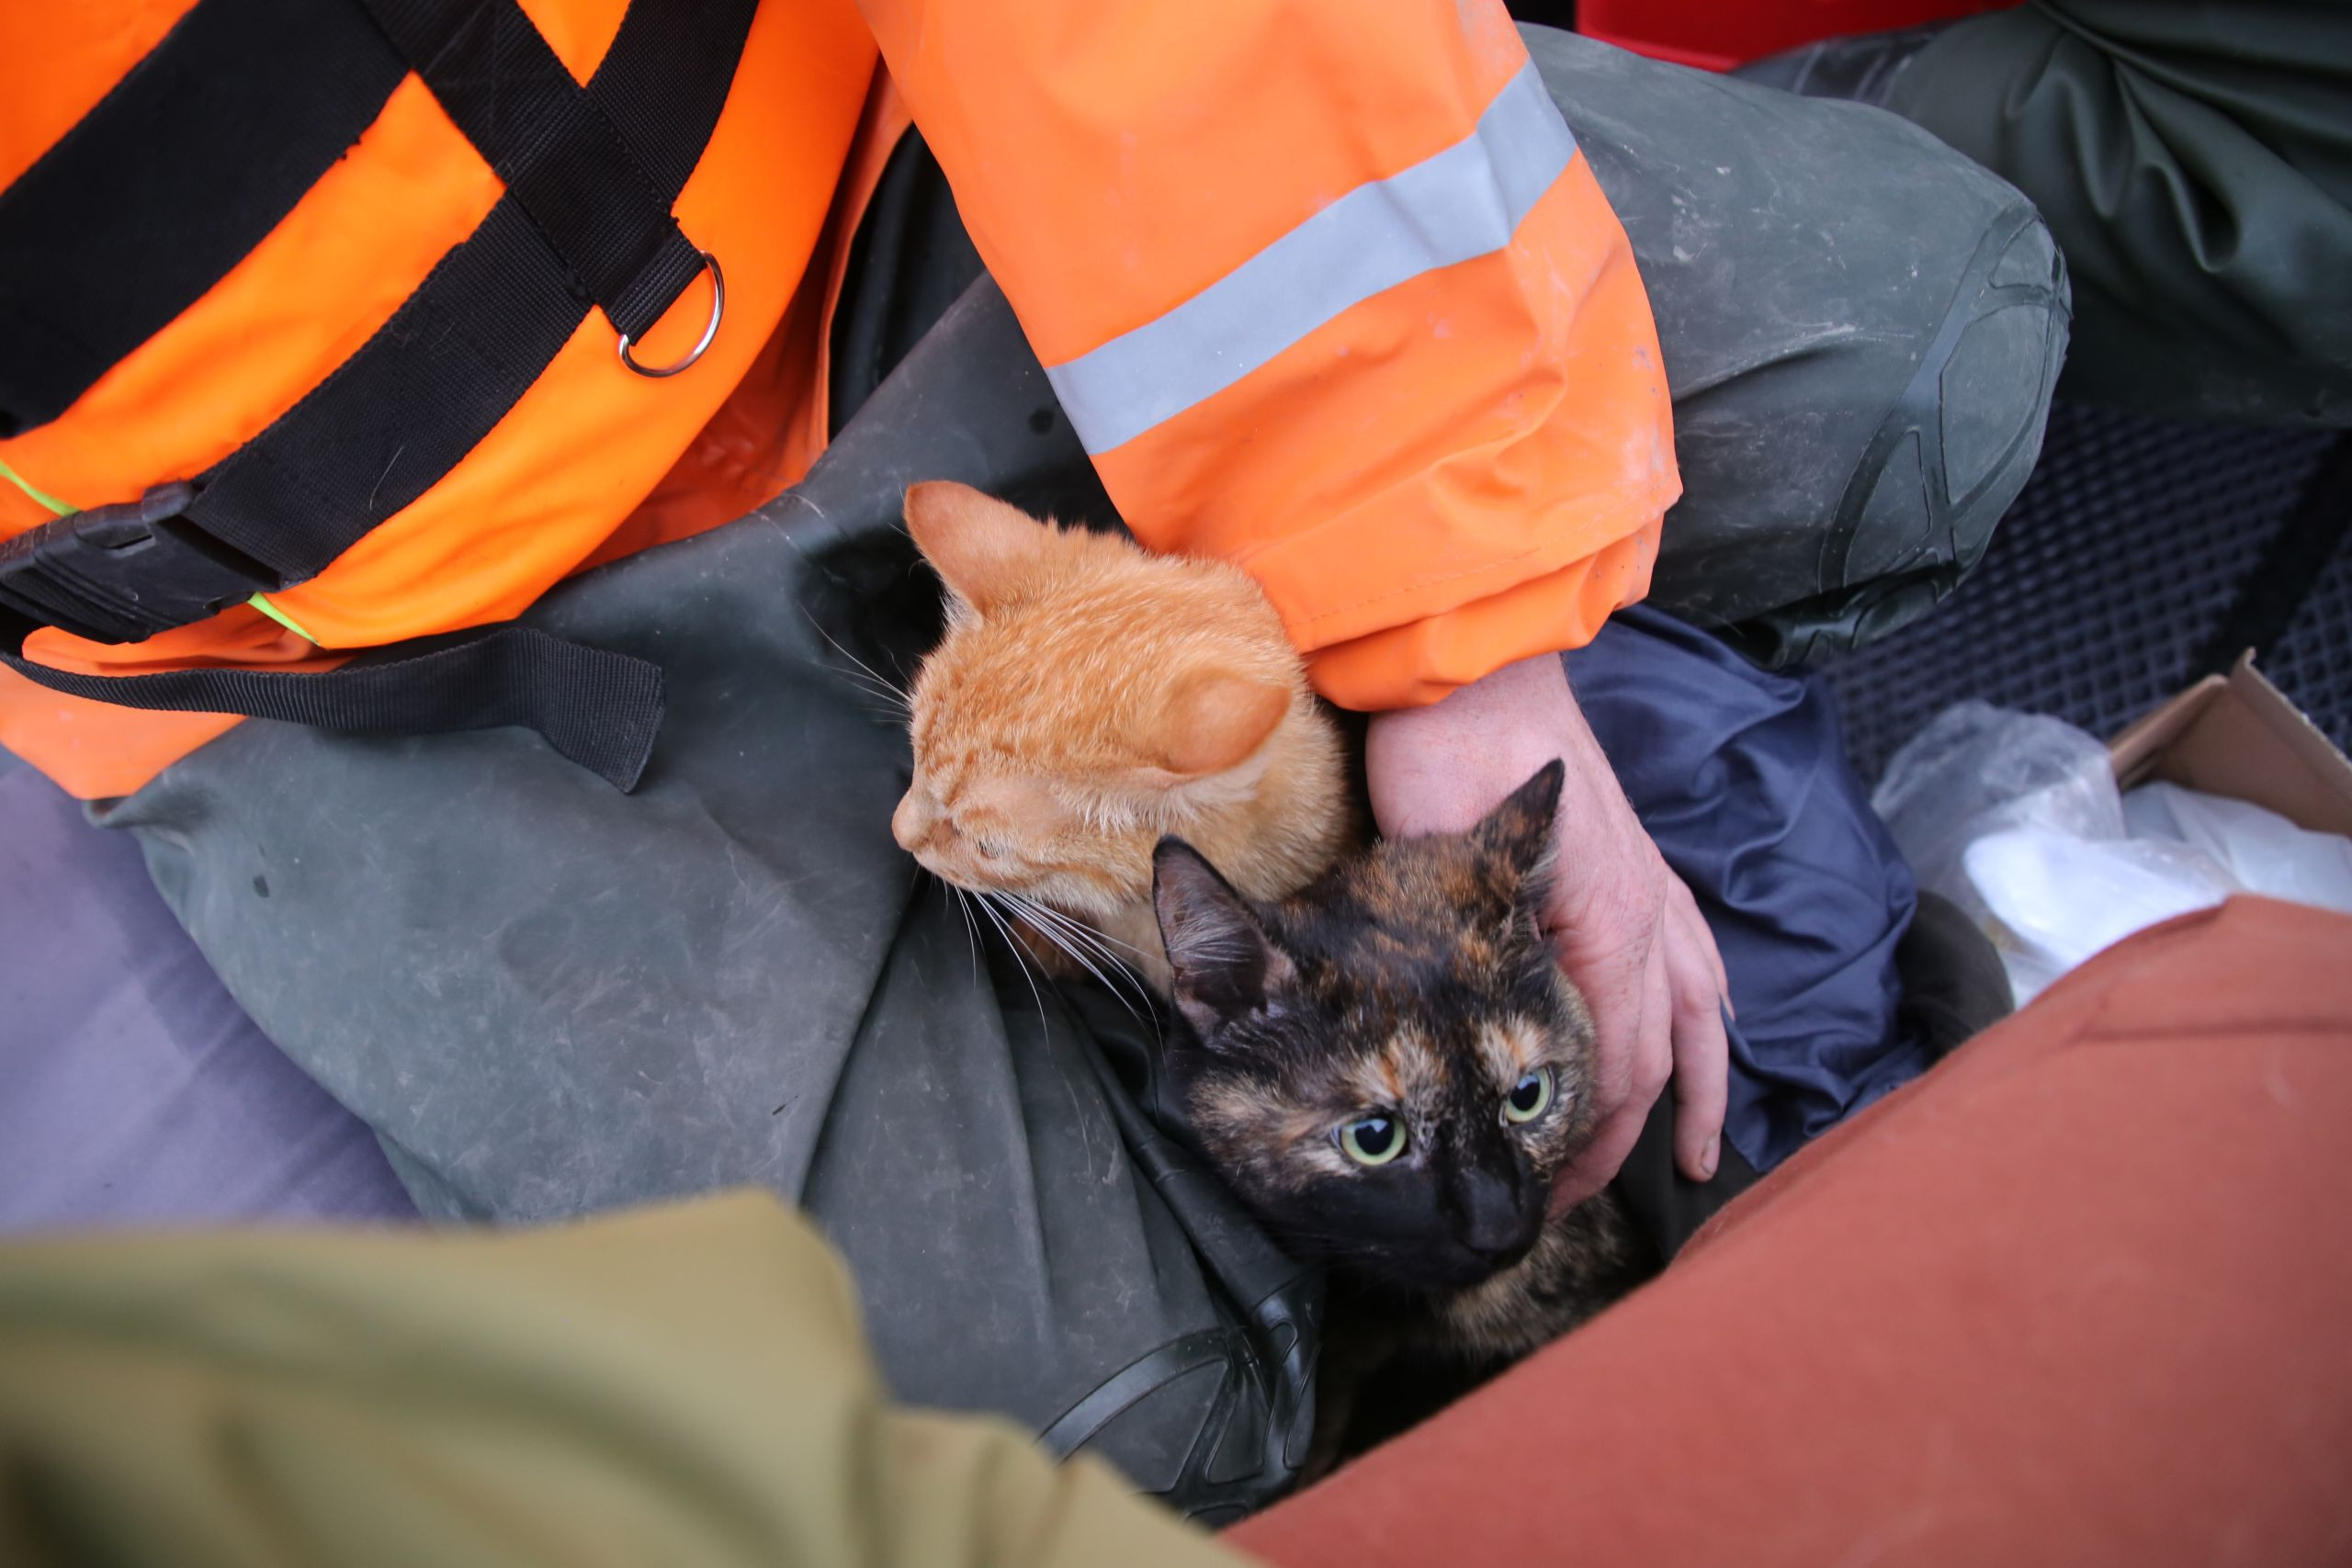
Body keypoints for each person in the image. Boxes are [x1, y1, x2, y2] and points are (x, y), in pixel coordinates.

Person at [0, 2, 2064, 1508]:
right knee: (1118, 1414)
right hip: (329, 629)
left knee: (1925, 357)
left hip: (876, 182)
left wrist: (1466, 647)